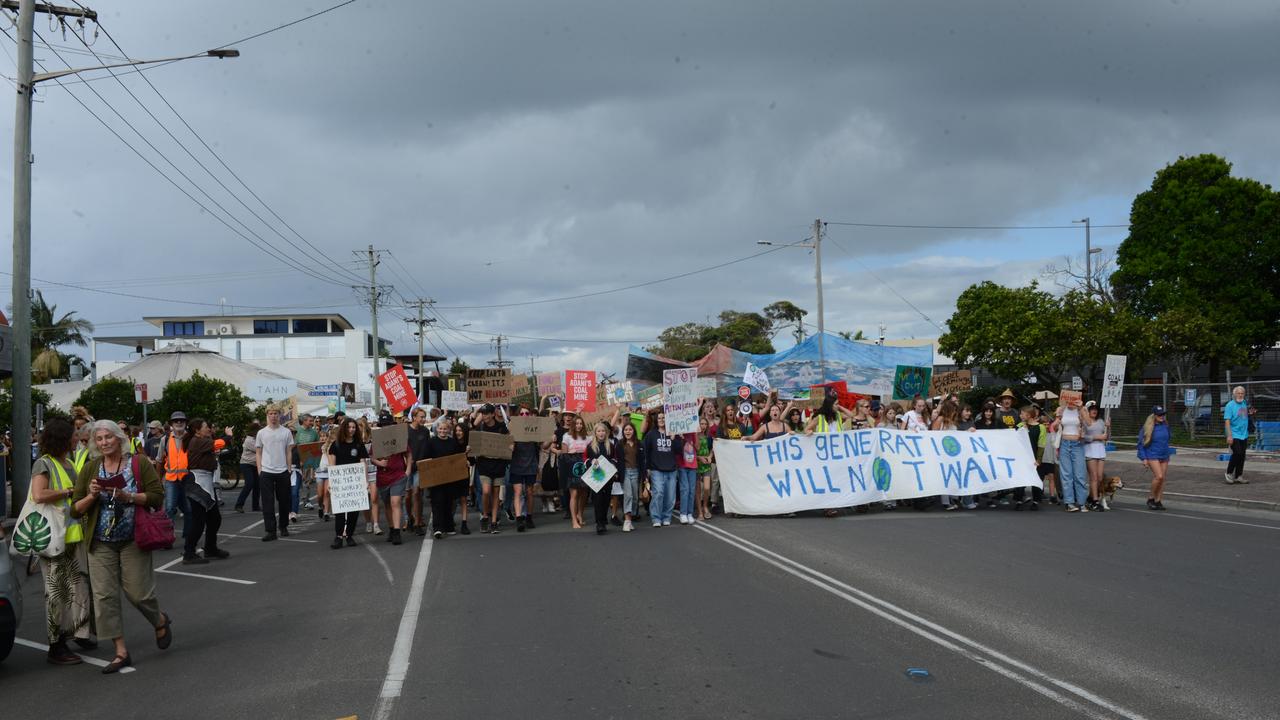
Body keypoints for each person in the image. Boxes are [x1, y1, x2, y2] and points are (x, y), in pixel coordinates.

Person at [71, 419, 171, 674]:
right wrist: (92, 495)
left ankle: (159, 620)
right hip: (100, 541)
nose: (103, 443)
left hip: (133, 539)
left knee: (139, 594)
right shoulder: (91, 467)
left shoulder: (137, 463)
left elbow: (157, 496)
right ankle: (120, 651)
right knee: (104, 597)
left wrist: (130, 497)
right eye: (99, 439)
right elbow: (74, 509)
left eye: (108, 437)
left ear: (119, 438)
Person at [29, 418, 95, 665]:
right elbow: (39, 495)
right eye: (73, 435)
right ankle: (56, 646)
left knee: (77, 589)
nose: (76, 438)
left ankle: (78, 632)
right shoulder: (44, 463)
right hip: (54, 538)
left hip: (71, 535)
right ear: (62, 438)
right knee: (57, 592)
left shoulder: (67, 462)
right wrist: (69, 492)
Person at [180, 419, 229, 564]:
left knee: (214, 518)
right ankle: (189, 553)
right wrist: (228, 435)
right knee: (198, 521)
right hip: (197, 483)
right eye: (206, 427)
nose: (209, 429)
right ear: (197, 430)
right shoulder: (197, 441)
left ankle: (210, 548)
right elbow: (218, 443)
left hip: (205, 482)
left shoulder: (201, 440)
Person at [255, 405, 296, 541]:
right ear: (267, 415)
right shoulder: (261, 433)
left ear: (279, 415)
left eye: (276, 413)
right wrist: (259, 470)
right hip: (266, 471)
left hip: (283, 470)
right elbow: (258, 452)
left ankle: (283, 526)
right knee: (267, 502)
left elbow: (289, 451)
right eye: (271, 413)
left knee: (284, 501)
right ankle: (270, 531)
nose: (273, 416)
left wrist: (289, 469)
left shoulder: (286, 432)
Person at [469, 404, 510, 534]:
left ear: (493, 414)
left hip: (498, 465)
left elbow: (508, 442)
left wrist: (511, 447)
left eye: (486, 413)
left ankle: (494, 521)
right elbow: (470, 429)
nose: (484, 416)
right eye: (483, 413)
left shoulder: (501, 428)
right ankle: (485, 516)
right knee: (486, 491)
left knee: (496, 495)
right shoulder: (480, 427)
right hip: (484, 465)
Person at [370, 420, 411, 546]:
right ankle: (392, 529)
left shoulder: (399, 438)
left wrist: (408, 470)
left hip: (398, 475)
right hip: (383, 477)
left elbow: (409, 454)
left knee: (396, 502)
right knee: (388, 504)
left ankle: (397, 532)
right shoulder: (377, 440)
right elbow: (372, 458)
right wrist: (379, 463)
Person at [155, 411, 192, 546]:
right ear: (171, 424)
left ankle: (189, 536)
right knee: (170, 509)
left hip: (187, 479)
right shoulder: (165, 440)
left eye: (182, 420)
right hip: (171, 479)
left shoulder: (190, 438)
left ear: (185, 423)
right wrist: (158, 480)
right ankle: (167, 538)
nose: (179, 423)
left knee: (188, 509)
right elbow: (159, 461)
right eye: (176, 421)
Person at [642, 410, 681, 527]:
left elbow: (679, 450)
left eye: (663, 418)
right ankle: (656, 518)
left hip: (672, 469)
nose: (661, 420)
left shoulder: (673, 433)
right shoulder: (651, 434)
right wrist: (647, 468)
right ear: (656, 420)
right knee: (658, 493)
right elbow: (646, 452)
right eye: (659, 418)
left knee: (670, 496)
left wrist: (674, 438)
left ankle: (667, 517)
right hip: (656, 469)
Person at [554, 413, 590, 529]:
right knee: (574, 494)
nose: (579, 426)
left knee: (584, 492)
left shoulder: (587, 438)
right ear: (573, 425)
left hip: (584, 467)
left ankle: (580, 514)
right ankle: (574, 520)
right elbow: (563, 455)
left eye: (581, 423)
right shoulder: (567, 436)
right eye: (577, 423)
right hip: (571, 467)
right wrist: (569, 453)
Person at [508, 408, 540, 533]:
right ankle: (519, 518)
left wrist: (550, 438)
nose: (524, 415)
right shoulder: (513, 429)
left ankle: (529, 517)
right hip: (517, 465)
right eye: (522, 413)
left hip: (531, 464)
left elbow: (543, 445)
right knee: (518, 492)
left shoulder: (535, 430)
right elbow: (508, 445)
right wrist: (510, 445)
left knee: (530, 492)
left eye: (527, 413)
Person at [584, 421, 620, 535]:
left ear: (607, 432)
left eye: (603, 431)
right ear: (595, 433)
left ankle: (603, 520)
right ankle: (599, 523)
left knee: (606, 499)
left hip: (608, 477)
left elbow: (615, 459)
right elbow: (585, 459)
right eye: (599, 431)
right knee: (597, 499)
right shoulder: (590, 446)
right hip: (596, 477)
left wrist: (611, 464)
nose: (601, 433)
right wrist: (591, 462)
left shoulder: (611, 445)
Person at [1137, 406, 1172, 511]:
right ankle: (1151, 498)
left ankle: (1158, 500)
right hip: (1152, 454)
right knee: (1159, 477)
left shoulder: (1166, 426)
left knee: (1163, 479)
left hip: (1164, 454)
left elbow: (1168, 438)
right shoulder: (1147, 428)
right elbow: (1140, 444)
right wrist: (1144, 458)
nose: (1162, 416)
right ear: (1154, 415)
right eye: (1159, 414)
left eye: (1163, 414)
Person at [406, 408, 432, 534]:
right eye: (421, 416)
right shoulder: (406, 430)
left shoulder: (425, 431)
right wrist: (406, 461)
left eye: (424, 417)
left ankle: (417, 522)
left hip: (420, 467)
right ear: (414, 417)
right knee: (407, 496)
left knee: (417, 493)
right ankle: (409, 517)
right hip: (406, 467)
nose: (423, 419)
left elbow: (428, 448)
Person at [617, 420, 646, 532]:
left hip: (636, 472)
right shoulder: (620, 444)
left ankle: (631, 518)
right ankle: (627, 521)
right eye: (625, 430)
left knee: (635, 498)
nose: (628, 431)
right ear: (623, 432)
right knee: (628, 496)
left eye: (630, 429)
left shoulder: (639, 444)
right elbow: (618, 460)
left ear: (634, 431)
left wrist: (645, 477)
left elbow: (642, 461)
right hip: (625, 473)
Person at [1082, 401, 1110, 511]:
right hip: (1090, 450)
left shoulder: (1101, 421)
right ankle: (1095, 500)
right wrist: (1098, 437)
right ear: (1088, 411)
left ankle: (1090, 497)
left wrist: (1109, 427)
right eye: (1092, 409)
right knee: (1093, 477)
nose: (1094, 410)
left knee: (1099, 477)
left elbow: (1107, 437)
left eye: (1096, 409)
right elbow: (1084, 437)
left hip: (1100, 450)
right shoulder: (1084, 422)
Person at [1224, 386, 1253, 484]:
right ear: (1234, 394)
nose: (1240, 395)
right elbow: (1227, 421)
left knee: (1242, 455)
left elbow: (1243, 415)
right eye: (1238, 393)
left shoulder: (1244, 403)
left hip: (1244, 434)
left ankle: (1238, 476)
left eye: (1242, 393)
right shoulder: (1230, 405)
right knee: (1237, 453)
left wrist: (1250, 413)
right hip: (1234, 434)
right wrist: (1229, 435)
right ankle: (1229, 473)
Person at [234, 421, 261, 513]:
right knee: (249, 484)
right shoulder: (249, 440)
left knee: (257, 485)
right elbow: (259, 450)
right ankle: (239, 504)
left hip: (255, 464)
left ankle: (256, 506)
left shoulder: (256, 438)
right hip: (246, 464)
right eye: (258, 430)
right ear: (254, 431)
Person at [316, 423, 340, 521]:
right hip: (320, 471)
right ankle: (320, 506)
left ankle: (326, 512)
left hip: (330, 471)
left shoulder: (337, 446)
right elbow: (313, 457)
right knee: (320, 494)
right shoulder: (323, 445)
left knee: (327, 492)